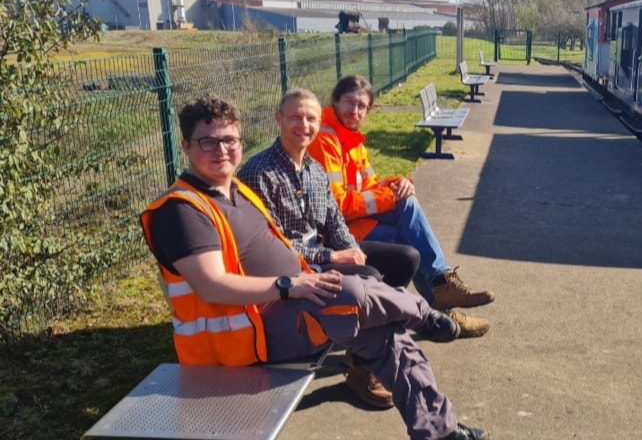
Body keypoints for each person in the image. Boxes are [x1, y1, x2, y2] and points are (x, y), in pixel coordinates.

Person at [140, 94, 488, 440]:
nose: (221, 150)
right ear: (185, 146)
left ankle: (440, 431)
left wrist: (320, 268)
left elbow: (321, 228)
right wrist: (291, 285)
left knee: (385, 331)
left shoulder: (237, 191)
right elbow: (211, 284)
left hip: (288, 308)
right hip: (249, 337)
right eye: (208, 142)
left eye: (229, 140)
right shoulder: (182, 210)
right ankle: (424, 315)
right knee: (350, 292)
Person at [238, 87, 421, 410]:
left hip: (322, 252)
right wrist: (331, 256)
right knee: (370, 276)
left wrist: (352, 248)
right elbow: (271, 244)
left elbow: (334, 221)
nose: (304, 125)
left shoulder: (313, 168)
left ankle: (360, 349)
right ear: (278, 119)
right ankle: (366, 367)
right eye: (295, 117)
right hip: (292, 267)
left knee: (406, 259)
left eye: (311, 118)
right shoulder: (258, 172)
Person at [307, 76, 494, 338]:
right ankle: (438, 305)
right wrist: (390, 197)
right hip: (336, 234)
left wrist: (398, 183)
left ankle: (441, 295)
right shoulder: (326, 140)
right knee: (408, 240)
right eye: (349, 102)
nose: (355, 111)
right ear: (335, 101)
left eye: (362, 106)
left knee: (407, 201)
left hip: (356, 222)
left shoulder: (351, 139)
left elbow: (370, 184)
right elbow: (336, 206)